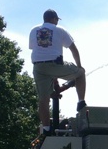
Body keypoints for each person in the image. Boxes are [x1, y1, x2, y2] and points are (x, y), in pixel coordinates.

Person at [28, 9, 87, 137]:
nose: (57, 22)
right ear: (53, 19)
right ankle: (81, 102)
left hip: (38, 67)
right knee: (81, 73)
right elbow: (74, 50)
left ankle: (46, 129)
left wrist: (54, 81)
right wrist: (79, 66)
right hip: (55, 64)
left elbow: (39, 49)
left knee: (43, 100)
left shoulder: (33, 30)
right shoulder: (60, 30)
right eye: (56, 20)